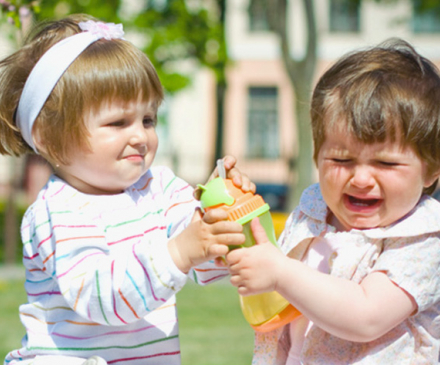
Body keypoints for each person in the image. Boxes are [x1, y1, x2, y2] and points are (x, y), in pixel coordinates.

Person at [0, 14, 253, 365]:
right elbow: (101, 298)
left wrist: (220, 216)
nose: (140, 136)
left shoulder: (161, 188)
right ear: (49, 137)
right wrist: (180, 251)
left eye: (148, 119)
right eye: (118, 122)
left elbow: (203, 265)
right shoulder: (56, 211)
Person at [226, 38, 440, 364]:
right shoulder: (312, 214)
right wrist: (233, 225)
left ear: (430, 171)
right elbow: (269, 284)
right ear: (317, 156)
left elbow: (366, 316)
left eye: (385, 163)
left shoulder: (424, 238)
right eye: (341, 160)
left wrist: (281, 272)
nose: (361, 178)